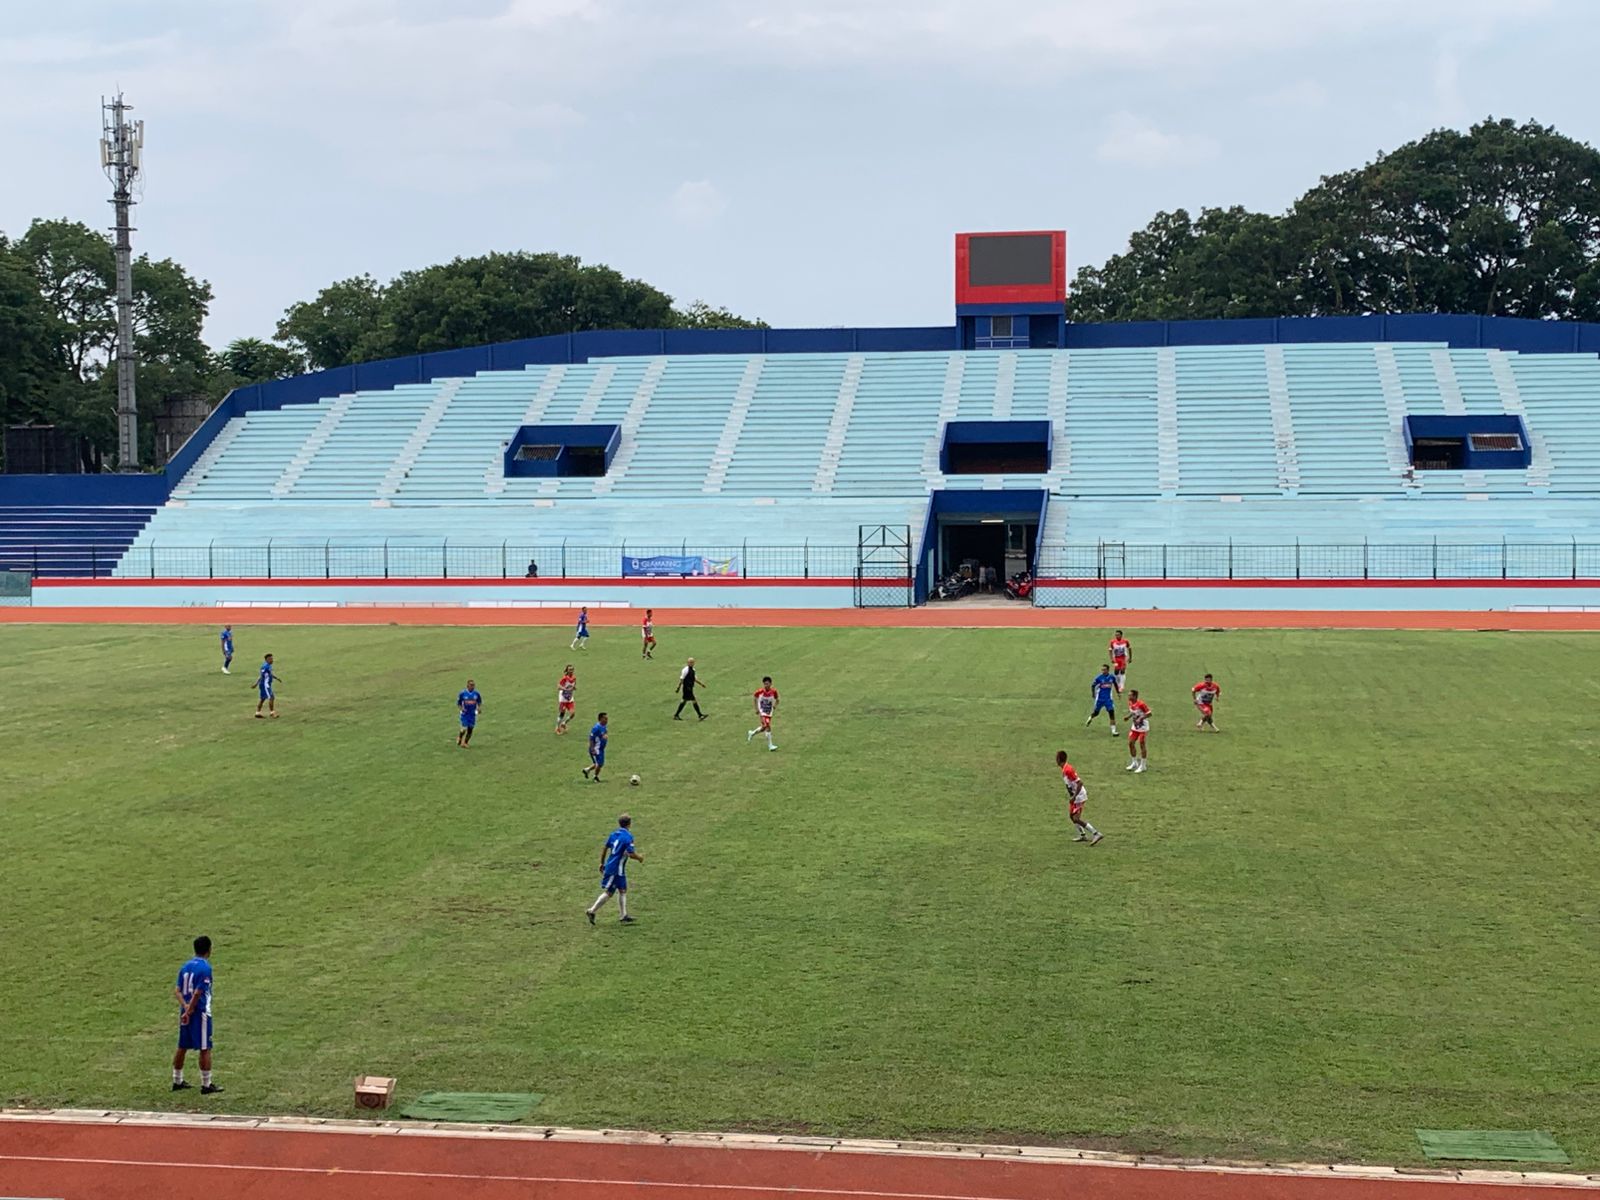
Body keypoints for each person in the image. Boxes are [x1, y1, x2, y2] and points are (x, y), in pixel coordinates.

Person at [173, 935, 222, 1094]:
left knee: (182, 1046)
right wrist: (191, 1009)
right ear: (209, 949)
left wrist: (184, 1008)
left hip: (185, 1012)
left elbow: (177, 990)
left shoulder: (185, 966)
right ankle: (206, 1084)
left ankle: (177, 1080)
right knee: (205, 1047)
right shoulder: (205, 968)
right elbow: (198, 992)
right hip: (199, 1012)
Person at [585, 814, 642, 924]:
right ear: (629, 824)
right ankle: (591, 911)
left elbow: (605, 848)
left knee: (622, 890)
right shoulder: (628, 837)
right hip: (616, 869)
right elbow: (631, 854)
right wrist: (640, 858)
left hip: (613, 866)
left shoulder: (614, 834)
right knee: (610, 892)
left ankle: (623, 915)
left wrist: (602, 863)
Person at [1055, 751, 1102, 845]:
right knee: (1071, 816)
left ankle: (1096, 833)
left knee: (1076, 818)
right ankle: (1082, 835)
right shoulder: (1064, 769)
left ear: (1058, 759)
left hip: (1079, 796)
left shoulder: (1068, 770)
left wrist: (1074, 796)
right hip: (1074, 796)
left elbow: (1080, 783)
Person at [747, 676, 779, 751]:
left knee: (764, 727)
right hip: (762, 711)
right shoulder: (760, 691)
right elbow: (755, 697)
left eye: (767, 684)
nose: (766, 685)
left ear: (771, 684)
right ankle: (770, 745)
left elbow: (777, 699)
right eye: (765, 684)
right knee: (767, 726)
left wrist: (775, 706)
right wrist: (756, 709)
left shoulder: (774, 691)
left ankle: (752, 733)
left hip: (769, 712)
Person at [1085, 664, 1118, 734]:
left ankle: (1113, 731)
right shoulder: (1099, 678)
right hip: (1100, 699)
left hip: (1108, 699)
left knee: (1111, 713)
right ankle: (1090, 717)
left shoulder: (1111, 677)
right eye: (1102, 670)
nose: (1103, 671)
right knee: (1096, 713)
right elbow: (1093, 685)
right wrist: (1093, 694)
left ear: (1108, 670)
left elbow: (1115, 684)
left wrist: (1118, 692)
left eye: (1104, 670)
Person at [1126, 689, 1152, 772]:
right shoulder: (1130, 703)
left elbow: (1149, 713)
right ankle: (1134, 762)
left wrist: (1141, 718)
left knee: (1142, 744)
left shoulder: (1141, 704)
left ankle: (1143, 765)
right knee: (1130, 743)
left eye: (1130, 695)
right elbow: (1133, 712)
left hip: (1143, 727)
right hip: (1135, 727)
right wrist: (1128, 717)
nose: (1128, 696)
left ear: (1135, 696)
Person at [581, 712, 609, 782]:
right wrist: (592, 749)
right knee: (599, 763)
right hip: (596, 749)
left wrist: (605, 735)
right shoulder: (596, 728)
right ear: (601, 719)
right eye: (605, 719)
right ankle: (595, 777)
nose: (607, 720)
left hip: (601, 749)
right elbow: (591, 738)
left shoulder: (603, 726)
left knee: (598, 763)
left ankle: (587, 770)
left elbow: (604, 732)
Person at [456, 678, 483, 748]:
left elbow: (479, 702)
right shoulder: (463, 693)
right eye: (471, 685)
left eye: (473, 685)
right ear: (467, 685)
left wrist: (479, 708)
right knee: (464, 728)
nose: (472, 686)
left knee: (470, 729)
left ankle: (465, 743)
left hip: (472, 714)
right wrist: (462, 708)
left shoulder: (476, 694)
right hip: (465, 714)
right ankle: (460, 737)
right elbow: (458, 703)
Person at [254, 654, 279, 719]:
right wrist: (256, 683)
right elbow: (261, 676)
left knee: (262, 698)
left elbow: (269, 674)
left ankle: (257, 713)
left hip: (266, 684)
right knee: (271, 697)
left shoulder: (268, 666)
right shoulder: (265, 666)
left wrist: (276, 678)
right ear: (267, 659)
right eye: (271, 659)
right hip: (265, 685)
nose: (272, 660)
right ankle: (272, 713)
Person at [555, 665, 577, 734]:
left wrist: (574, 688)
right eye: (570, 670)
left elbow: (573, 685)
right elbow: (558, 686)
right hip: (563, 699)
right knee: (562, 713)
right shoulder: (564, 678)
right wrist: (565, 689)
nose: (571, 671)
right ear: (567, 671)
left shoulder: (574, 678)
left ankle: (564, 723)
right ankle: (557, 728)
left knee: (573, 714)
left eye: (572, 669)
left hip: (570, 698)